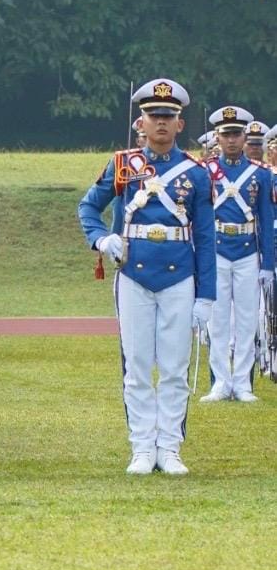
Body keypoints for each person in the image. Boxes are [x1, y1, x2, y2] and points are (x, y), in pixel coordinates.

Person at [78, 77, 216, 476]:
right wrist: (101, 238)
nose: (160, 123)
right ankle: (141, 447)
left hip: (179, 275)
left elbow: (206, 238)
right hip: (134, 274)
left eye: (168, 117)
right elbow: (88, 208)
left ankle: (170, 447)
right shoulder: (123, 164)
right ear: (140, 122)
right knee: (137, 367)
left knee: (174, 368)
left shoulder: (196, 172)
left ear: (180, 125)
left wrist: (206, 295)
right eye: (153, 116)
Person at [201, 104, 275, 402]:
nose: (231, 140)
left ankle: (243, 382)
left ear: (245, 137)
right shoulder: (205, 172)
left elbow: (266, 221)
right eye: (226, 134)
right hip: (217, 250)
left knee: (246, 321)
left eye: (236, 134)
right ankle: (221, 381)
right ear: (217, 137)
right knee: (217, 321)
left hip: (247, 251)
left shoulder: (261, 174)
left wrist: (268, 264)